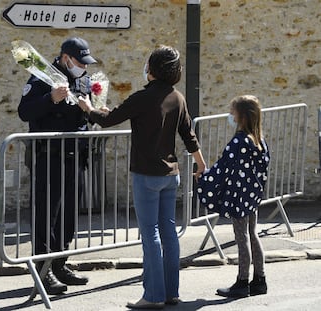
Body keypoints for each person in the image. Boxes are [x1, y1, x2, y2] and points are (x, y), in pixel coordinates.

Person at [79, 45, 207, 309]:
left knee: (150, 235)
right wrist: (201, 164)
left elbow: (109, 119)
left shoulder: (142, 97)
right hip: (171, 175)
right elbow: (188, 134)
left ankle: (152, 295)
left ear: (153, 69)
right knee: (169, 233)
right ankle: (171, 292)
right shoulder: (178, 97)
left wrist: (87, 108)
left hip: (147, 174)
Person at [18, 37, 97, 295]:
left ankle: (61, 264)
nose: (83, 67)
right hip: (48, 158)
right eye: (78, 62)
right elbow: (24, 112)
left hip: (75, 157)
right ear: (65, 58)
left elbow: (85, 121)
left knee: (69, 214)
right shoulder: (42, 77)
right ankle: (44, 270)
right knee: (46, 215)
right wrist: (50, 99)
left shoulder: (83, 80)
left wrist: (93, 111)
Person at [197, 95, 270, 298]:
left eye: (233, 111)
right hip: (252, 195)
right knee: (253, 234)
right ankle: (259, 280)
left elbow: (223, 167)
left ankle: (242, 282)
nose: (231, 115)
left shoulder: (239, 141)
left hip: (239, 196)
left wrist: (204, 177)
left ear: (243, 116)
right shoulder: (260, 141)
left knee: (242, 236)